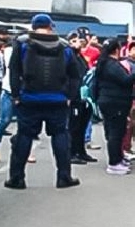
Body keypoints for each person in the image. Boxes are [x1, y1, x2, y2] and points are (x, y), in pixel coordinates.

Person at [5, 13, 82, 189]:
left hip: (29, 99)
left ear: (33, 26)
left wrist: (16, 95)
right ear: (50, 26)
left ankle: (17, 178)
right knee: (60, 136)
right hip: (58, 100)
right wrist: (69, 96)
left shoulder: (22, 44)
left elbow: (14, 71)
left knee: (24, 136)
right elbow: (75, 75)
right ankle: (64, 177)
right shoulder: (64, 47)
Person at [95, 38, 135, 176]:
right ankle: (114, 163)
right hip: (114, 102)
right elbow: (125, 80)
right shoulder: (111, 65)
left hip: (110, 101)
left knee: (116, 132)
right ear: (116, 50)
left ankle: (118, 158)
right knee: (115, 133)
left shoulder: (105, 64)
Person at [66, 31, 97, 165]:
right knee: (74, 126)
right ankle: (72, 153)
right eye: (73, 41)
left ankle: (81, 151)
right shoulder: (68, 56)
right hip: (73, 96)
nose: (77, 42)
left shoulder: (80, 57)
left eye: (77, 40)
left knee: (82, 125)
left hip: (84, 95)